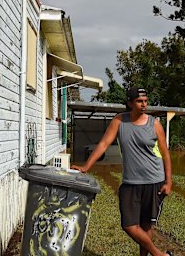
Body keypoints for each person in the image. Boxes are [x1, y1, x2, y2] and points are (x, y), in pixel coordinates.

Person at [72, 87, 173, 256]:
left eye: (146, 101)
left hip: (154, 181)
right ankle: (160, 255)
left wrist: (169, 182)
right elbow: (103, 144)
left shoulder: (154, 124)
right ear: (130, 103)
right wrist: (85, 167)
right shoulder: (119, 121)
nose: (144, 105)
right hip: (130, 182)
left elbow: (165, 154)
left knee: (146, 225)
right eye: (140, 101)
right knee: (129, 225)